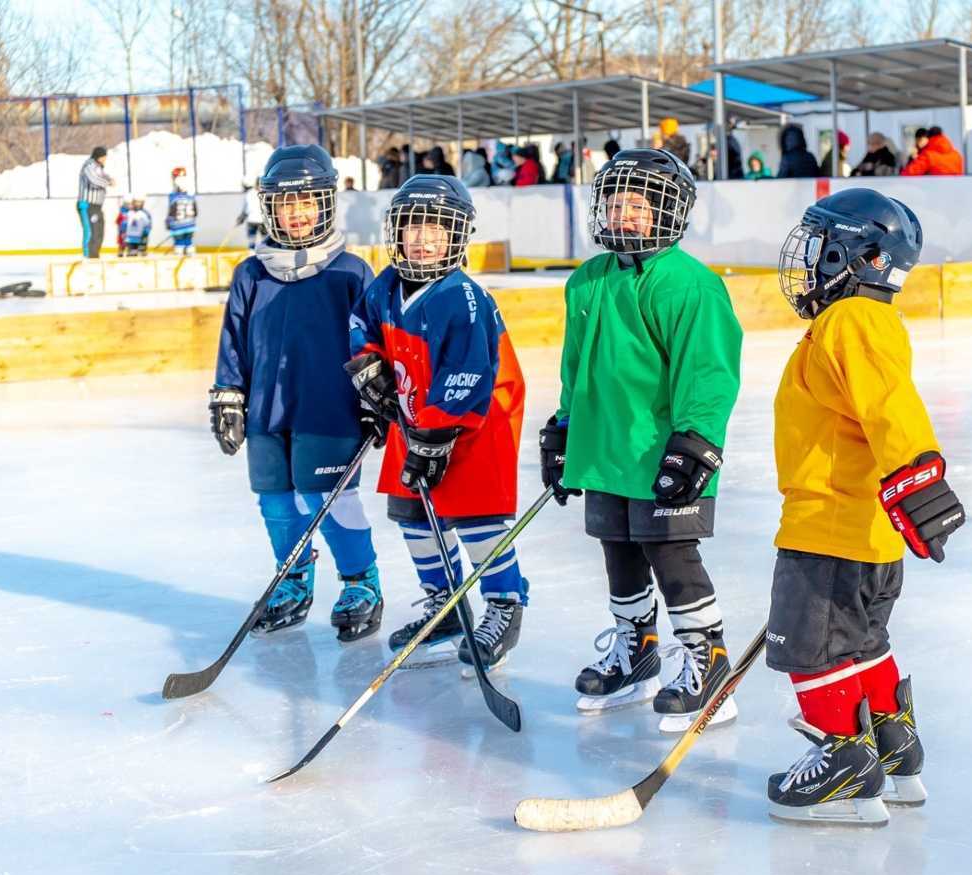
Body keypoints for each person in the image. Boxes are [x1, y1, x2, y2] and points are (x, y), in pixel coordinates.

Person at [767, 187, 965, 825]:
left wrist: (918, 475)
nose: (807, 258)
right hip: (864, 531)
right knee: (861, 642)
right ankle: (891, 747)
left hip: (830, 526)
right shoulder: (861, 321)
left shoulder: (852, 321)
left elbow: (890, 406)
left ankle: (846, 768)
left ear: (864, 256)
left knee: (811, 649)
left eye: (821, 244)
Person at [540, 147, 743, 733]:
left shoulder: (688, 285)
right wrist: (564, 428)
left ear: (666, 213)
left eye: (637, 205)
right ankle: (638, 650)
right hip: (606, 448)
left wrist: (697, 442)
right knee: (617, 548)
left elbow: (707, 371)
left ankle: (708, 659)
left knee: (671, 552)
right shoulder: (588, 281)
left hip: (666, 451)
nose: (623, 213)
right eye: (614, 201)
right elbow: (575, 368)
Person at [346, 175, 529, 668]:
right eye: (412, 228)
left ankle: (504, 605)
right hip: (416, 423)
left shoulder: (464, 298)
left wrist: (437, 430)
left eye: (436, 229)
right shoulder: (385, 287)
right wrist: (368, 369)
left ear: (457, 236)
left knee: (473, 518)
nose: (422, 240)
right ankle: (444, 606)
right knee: (413, 515)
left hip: (473, 427)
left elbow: (468, 372)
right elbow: (360, 326)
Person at [209, 145, 384, 643]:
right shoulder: (252, 273)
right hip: (267, 406)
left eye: (308, 201)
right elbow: (234, 338)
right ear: (269, 207)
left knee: (329, 498)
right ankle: (292, 582)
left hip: (329, 409)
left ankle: (361, 583)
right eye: (286, 204)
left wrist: (374, 397)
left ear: (327, 202)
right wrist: (228, 393)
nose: (297, 213)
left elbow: (372, 342)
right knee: (275, 500)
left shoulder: (349, 272)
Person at [77, 146, 113, 258]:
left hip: (97, 206)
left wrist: (109, 179)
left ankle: (95, 255)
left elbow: (103, 176)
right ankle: (88, 256)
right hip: (87, 205)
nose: (105, 159)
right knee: (90, 231)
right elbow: (93, 180)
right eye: (104, 157)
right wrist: (108, 182)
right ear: (99, 156)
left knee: (99, 231)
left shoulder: (98, 167)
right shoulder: (89, 165)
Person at [166, 168, 198, 256]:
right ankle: (190, 252)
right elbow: (196, 212)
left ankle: (179, 252)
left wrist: (168, 222)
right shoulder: (191, 196)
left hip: (178, 225)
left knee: (179, 243)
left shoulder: (173, 196)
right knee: (189, 243)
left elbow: (171, 212)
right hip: (190, 225)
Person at [237, 177, 266, 251]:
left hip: (262, 221)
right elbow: (246, 208)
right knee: (252, 241)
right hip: (253, 221)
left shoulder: (261, 193)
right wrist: (241, 218)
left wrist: (242, 217)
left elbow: (245, 209)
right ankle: (252, 253)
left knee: (265, 240)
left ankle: (263, 252)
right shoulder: (251, 193)